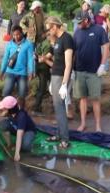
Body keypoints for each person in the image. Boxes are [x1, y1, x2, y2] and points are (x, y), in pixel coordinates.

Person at [73, 12, 109, 132]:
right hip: (79, 70)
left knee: (95, 99)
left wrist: (103, 65)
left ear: (87, 21)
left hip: (94, 71)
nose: (77, 25)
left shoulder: (99, 30)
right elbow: (73, 51)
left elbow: (106, 48)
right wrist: (72, 69)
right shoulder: (77, 32)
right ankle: (83, 123)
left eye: (80, 22)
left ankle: (98, 125)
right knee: (82, 98)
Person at [44, 16, 74, 149]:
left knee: (60, 108)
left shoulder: (67, 39)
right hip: (55, 76)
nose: (49, 32)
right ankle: (58, 133)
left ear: (55, 27)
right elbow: (56, 61)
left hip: (61, 77)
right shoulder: (58, 40)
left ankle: (65, 139)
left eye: (49, 29)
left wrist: (63, 85)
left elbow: (68, 64)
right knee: (57, 107)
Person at [0, 96, 37, 161]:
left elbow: (19, 135)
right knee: (2, 124)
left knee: (25, 146)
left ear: (10, 109)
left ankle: (28, 144)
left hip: (27, 131)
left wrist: (17, 153)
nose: (2, 110)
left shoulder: (21, 116)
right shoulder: (10, 112)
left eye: (4, 108)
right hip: (16, 126)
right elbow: (8, 119)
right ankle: (10, 144)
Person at [0, 25, 35, 100]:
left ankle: (21, 110)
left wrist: (31, 71)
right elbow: (5, 59)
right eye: (14, 35)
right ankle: (8, 110)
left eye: (18, 34)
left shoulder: (28, 44)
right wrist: (2, 71)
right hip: (10, 72)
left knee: (22, 95)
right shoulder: (9, 44)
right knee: (6, 92)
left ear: (22, 33)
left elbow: (30, 59)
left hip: (22, 73)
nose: (16, 37)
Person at [32, 32, 54, 115]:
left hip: (39, 68)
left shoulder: (41, 43)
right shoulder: (48, 45)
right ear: (48, 36)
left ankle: (39, 107)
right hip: (44, 68)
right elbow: (43, 58)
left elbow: (35, 56)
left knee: (44, 88)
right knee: (42, 88)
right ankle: (36, 109)